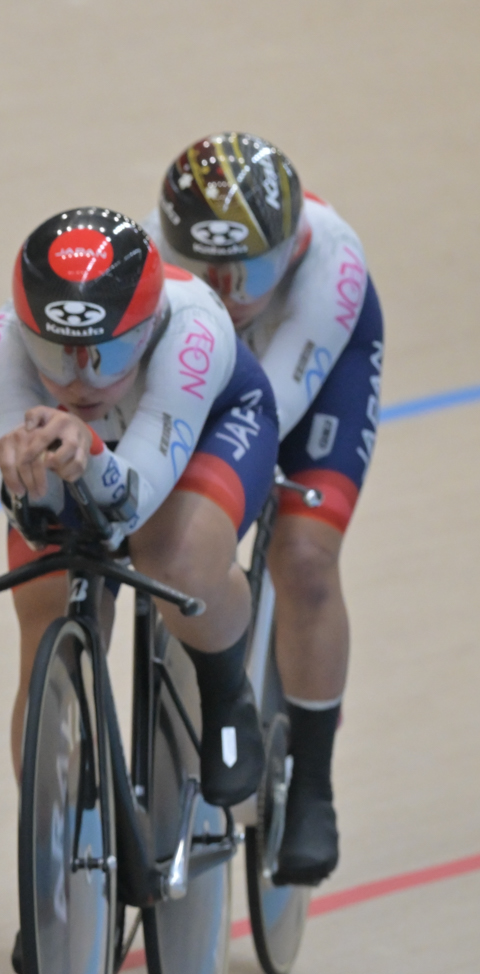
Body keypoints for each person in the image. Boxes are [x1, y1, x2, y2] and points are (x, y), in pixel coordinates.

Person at [0, 207, 280, 826]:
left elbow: (131, 502)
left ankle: (226, 693)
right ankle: (51, 860)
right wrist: (40, 482)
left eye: (106, 354)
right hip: (85, 452)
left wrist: (86, 450)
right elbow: (33, 514)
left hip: (202, 431)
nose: (79, 379)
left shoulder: (190, 330)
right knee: (44, 620)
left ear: (145, 331)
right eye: (53, 353)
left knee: (174, 562)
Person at [147, 133, 378, 886]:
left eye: (249, 269)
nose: (230, 288)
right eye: (207, 269)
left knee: (305, 556)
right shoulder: (151, 262)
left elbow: (266, 417)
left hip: (310, 366)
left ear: (294, 242)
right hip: (211, 362)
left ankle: (312, 781)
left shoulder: (329, 265)